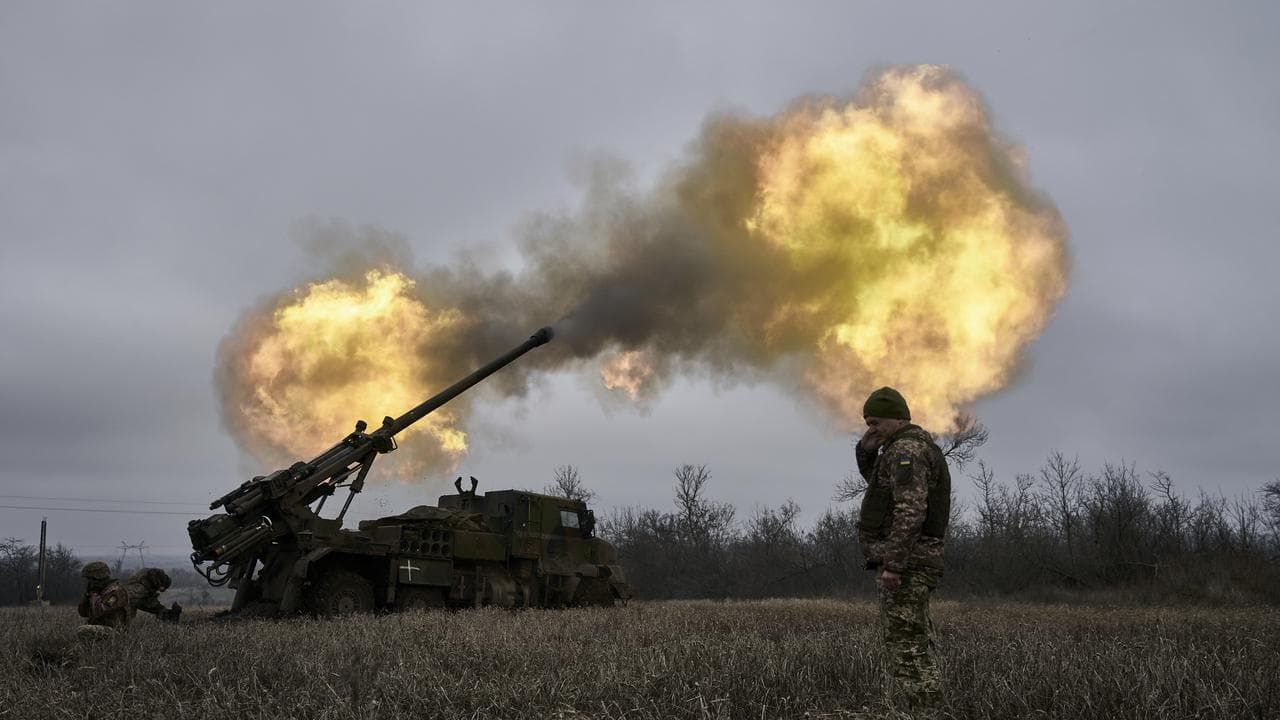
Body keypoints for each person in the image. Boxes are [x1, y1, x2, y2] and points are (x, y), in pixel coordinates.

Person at [855, 387, 951, 716]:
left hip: (908, 566)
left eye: (876, 422)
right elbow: (883, 488)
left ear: (897, 418)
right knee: (915, 642)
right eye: (867, 423)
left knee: (907, 649)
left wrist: (894, 565)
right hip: (915, 561)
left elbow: (910, 510)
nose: (871, 429)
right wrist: (866, 453)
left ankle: (928, 713)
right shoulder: (907, 447)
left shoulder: (906, 449)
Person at [77, 561, 131, 631]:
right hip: (101, 628)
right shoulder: (99, 590)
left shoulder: (116, 591)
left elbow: (99, 612)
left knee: (83, 630)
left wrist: (94, 594)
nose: (90, 582)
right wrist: (86, 597)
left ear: (99, 577)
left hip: (115, 630)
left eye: (92, 579)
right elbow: (83, 613)